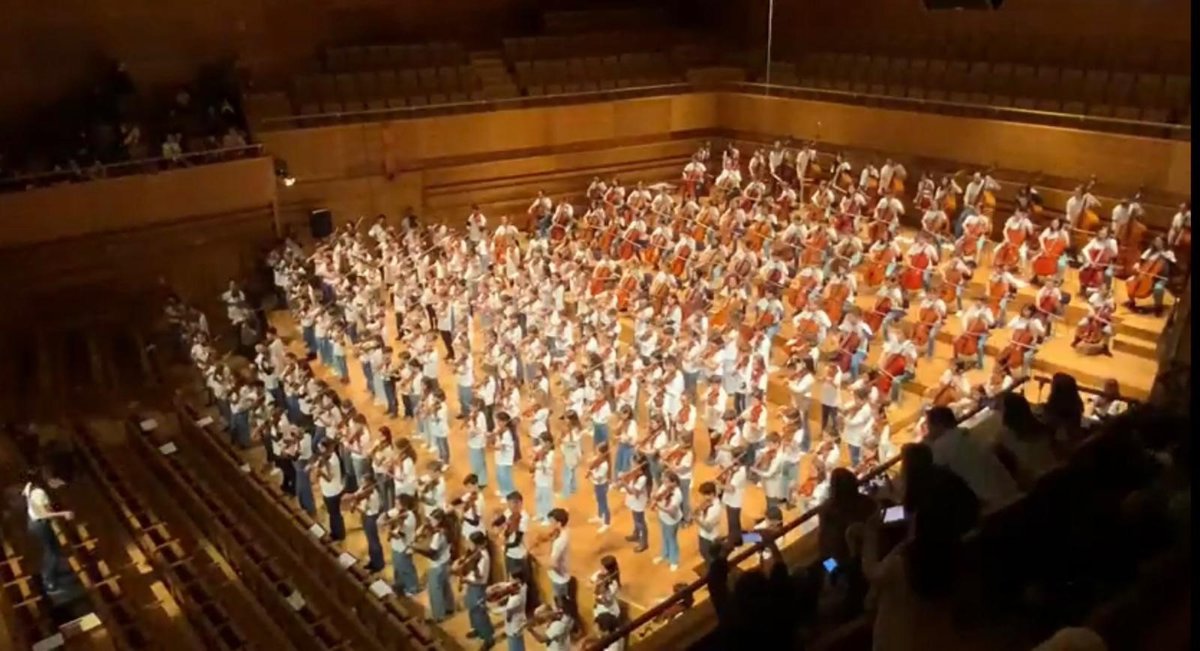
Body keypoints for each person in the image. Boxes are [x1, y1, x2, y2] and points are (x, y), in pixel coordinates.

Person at [861, 497, 967, 651]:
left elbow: (869, 573)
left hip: (900, 638)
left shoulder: (899, 563)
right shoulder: (948, 554)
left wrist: (869, 531)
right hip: (936, 635)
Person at [923, 406, 1019, 511]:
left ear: (939, 425)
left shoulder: (941, 447)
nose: (928, 430)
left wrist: (927, 442)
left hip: (993, 506)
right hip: (1011, 491)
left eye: (929, 426)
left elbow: (933, 477)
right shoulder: (970, 435)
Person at [993, 392, 1060, 490]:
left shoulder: (1003, 439)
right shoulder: (1043, 426)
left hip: (1038, 486)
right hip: (1057, 477)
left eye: (999, 409)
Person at [22, 469, 75, 591]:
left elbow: (25, 494)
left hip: (36, 523)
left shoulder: (30, 486)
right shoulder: (39, 492)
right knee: (52, 553)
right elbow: (42, 513)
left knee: (54, 551)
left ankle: (51, 577)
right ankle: (48, 582)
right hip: (39, 524)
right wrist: (64, 513)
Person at [461, 531, 496, 648]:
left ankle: (488, 638)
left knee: (480, 612)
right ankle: (476, 628)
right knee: (472, 609)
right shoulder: (476, 554)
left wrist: (466, 579)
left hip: (478, 587)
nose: (468, 545)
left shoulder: (484, 558)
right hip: (472, 585)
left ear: (477, 544)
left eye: (471, 543)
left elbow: (480, 577)